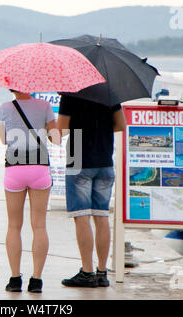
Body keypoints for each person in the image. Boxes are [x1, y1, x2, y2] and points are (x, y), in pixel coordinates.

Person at [57, 95, 126, 288]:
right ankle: (102, 273)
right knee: (101, 216)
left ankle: (87, 272)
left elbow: (61, 130)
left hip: (77, 159)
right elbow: (121, 125)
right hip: (104, 160)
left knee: (82, 216)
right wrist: (100, 130)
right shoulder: (110, 92)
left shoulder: (70, 94)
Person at [0, 90, 60, 293]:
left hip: (14, 167)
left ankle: (15, 280)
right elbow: (56, 139)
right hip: (39, 166)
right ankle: (36, 281)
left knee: (14, 226)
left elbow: (4, 139)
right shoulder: (44, 106)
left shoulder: (5, 107)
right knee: (39, 226)